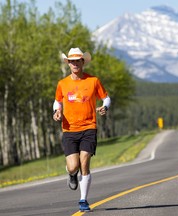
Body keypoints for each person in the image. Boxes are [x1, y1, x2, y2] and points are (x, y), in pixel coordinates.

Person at [53, 47, 111, 212]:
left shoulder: (93, 81)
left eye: (78, 60)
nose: (75, 63)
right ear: (68, 63)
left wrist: (104, 107)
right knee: (73, 166)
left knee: (84, 162)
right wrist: (56, 111)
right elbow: (57, 101)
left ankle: (83, 199)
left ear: (82, 62)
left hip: (88, 127)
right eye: (72, 61)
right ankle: (71, 174)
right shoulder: (62, 84)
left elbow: (106, 97)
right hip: (69, 129)